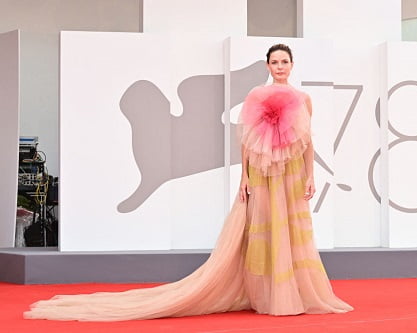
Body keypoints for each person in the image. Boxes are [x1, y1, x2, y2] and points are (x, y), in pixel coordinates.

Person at [24, 44, 353, 321]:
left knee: (292, 232)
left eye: (284, 61)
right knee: (264, 231)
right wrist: (244, 178)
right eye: (275, 61)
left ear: (292, 65)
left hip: (292, 173)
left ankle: (291, 292)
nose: (280, 66)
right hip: (264, 175)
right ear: (268, 65)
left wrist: (311, 175)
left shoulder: (303, 98)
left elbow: (307, 140)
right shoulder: (256, 95)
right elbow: (246, 140)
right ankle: (268, 296)